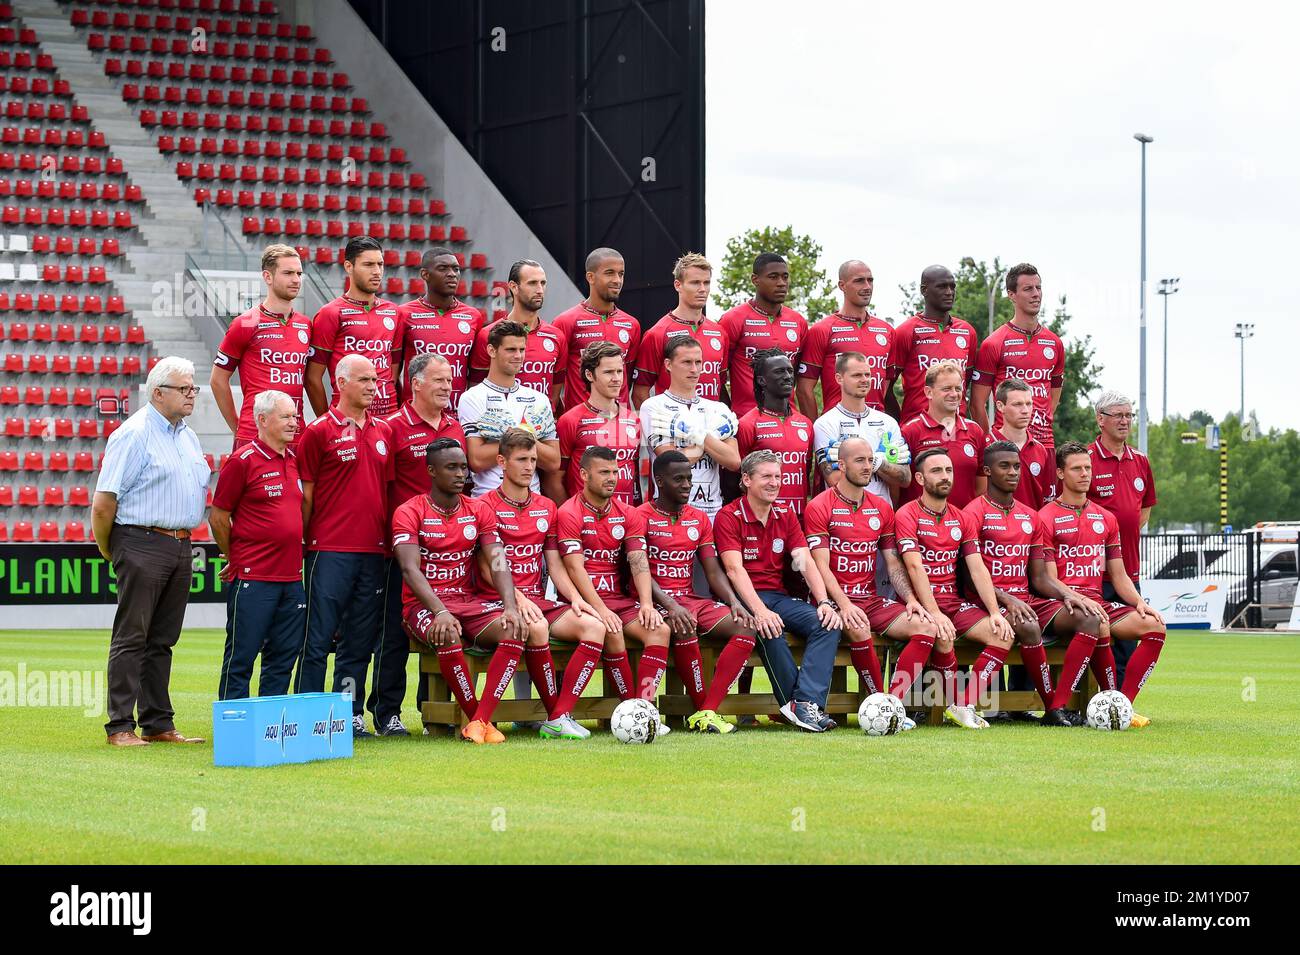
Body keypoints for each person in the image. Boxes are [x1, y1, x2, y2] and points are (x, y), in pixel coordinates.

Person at [91, 356, 209, 746]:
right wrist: (114, 550)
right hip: (140, 539)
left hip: (180, 543)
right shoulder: (134, 433)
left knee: (162, 639)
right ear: (158, 393)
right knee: (132, 636)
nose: (192, 394)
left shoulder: (187, 435)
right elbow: (104, 503)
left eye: (193, 388)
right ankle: (120, 725)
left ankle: (158, 722)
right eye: (184, 388)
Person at [392, 438, 541, 745]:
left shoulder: (478, 509)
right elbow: (410, 570)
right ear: (432, 471)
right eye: (452, 468)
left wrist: (510, 605)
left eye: (463, 467)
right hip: (422, 606)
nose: (461, 474)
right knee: (447, 633)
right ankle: (478, 719)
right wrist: (440, 611)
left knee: (514, 628)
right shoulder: (409, 511)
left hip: (468, 602)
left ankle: (479, 720)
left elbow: (497, 560)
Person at [473, 428, 609, 741]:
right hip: (498, 600)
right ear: (501, 462)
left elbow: (554, 562)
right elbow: (486, 566)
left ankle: (560, 714)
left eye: (533, 459)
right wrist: (517, 599)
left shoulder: (547, 507)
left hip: (538, 600)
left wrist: (575, 598)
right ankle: (556, 716)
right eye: (521, 459)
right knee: (534, 626)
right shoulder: (484, 506)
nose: (529, 466)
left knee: (594, 626)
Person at [964, 441, 1103, 727]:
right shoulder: (973, 512)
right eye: (1005, 466)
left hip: (1027, 600)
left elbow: (1040, 578)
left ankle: (1059, 706)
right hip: (985, 602)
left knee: (1090, 619)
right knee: (1028, 625)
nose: (1013, 472)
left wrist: (1070, 595)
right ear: (988, 471)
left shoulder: (1030, 516)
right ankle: (1051, 705)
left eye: (1016, 466)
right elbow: (968, 576)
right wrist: (1007, 600)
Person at [803, 437, 938, 731]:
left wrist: (911, 599)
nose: (868, 467)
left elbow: (893, 563)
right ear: (842, 464)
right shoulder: (819, 506)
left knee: (926, 626)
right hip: (835, 602)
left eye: (870, 460)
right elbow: (820, 566)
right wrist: (845, 604)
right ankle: (879, 704)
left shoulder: (881, 507)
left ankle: (891, 706)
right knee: (858, 626)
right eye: (860, 461)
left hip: (870, 599)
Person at [294, 354, 394, 737]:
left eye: (375, 379)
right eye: (365, 379)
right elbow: (307, 494)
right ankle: (307, 714)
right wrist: (304, 543)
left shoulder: (384, 431)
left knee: (359, 642)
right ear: (340, 383)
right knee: (317, 638)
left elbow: (384, 492)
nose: (373, 385)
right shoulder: (319, 431)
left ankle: (349, 714)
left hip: (373, 552)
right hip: (329, 550)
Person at [370, 352, 467, 736]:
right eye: (440, 380)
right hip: (404, 550)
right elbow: (380, 487)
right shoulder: (393, 426)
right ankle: (387, 713)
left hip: (447, 550)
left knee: (441, 627)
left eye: (450, 380)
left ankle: (434, 714)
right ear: (416, 384)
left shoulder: (454, 427)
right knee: (393, 634)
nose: (448, 386)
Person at [713, 450, 844, 733]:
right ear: (746, 479)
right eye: (767, 477)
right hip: (743, 598)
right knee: (770, 628)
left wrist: (823, 601)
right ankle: (803, 708)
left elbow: (804, 559)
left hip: (778, 597)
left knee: (828, 622)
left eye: (778, 476)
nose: (774, 483)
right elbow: (734, 570)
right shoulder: (729, 515)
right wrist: (759, 611)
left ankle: (803, 704)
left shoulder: (785, 514)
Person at [1037, 442, 1167, 727]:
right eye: (1076, 468)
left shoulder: (1106, 518)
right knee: (1096, 620)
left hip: (1098, 602)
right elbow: (1047, 579)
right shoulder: (1045, 517)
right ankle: (1056, 708)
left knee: (1154, 626)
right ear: (1060, 473)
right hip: (1059, 604)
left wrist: (1139, 603)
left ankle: (1122, 705)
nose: (1085, 474)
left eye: (1088, 468)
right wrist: (1077, 598)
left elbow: (1119, 576)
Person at [893, 448, 1016, 729]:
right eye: (937, 471)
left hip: (953, 602)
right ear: (920, 478)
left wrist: (995, 612)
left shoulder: (962, 518)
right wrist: (934, 612)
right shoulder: (907, 514)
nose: (945, 476)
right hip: (919, 604)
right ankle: (895, 703)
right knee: (943, 636)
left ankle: (964, 704)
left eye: (949, 471)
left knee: (1002, 634)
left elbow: (977, 568)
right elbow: (914, 567)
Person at [638, 451, 759, 734]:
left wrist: (733, 601)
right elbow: (639, 570)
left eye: (689, 479)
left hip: (690, 600)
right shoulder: (640, 516)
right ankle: (702, 709)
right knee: (683, 625)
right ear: (659, 481)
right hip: (654, 602)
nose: (686, 485)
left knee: (746, 625)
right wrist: (669, 604)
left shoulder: (699, 519)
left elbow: (713, 571)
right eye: (678, 479)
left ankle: (707, 710)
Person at [556, 447, 673, 734]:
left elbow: (638, 561)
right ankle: (635, 714)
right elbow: (574, 569)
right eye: (604, 472)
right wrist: (601, 609)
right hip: (583, 603)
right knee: (612, 630)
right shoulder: (568, 512)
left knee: (660, 630)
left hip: (619, 601)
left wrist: (646, 603)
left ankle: (643, 712)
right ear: (584, 474)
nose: (612, 478)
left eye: (615, 472)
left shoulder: (628, 513)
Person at [209, 390, 304, 701]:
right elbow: (219, 517)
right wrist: (234, 558)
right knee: (242, 656)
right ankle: (233, 726)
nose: (295, 422)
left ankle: (269, 726)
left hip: (291, 579)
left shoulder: (293, 459)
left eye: (295, 415)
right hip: (254, 577)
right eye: (286, 416)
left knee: (283, 657)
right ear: (262, 420)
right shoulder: (242, 461)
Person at [1086, 391, 1157, 687]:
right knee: (1092, 642)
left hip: (1129, 570)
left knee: (1128, 646)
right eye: (1119, 415)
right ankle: (1088, 705)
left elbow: (1143, 512)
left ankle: (1122, 704)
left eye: (1129, 415)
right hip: (1092, 574)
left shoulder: (1140, 460)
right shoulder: (1085, 459)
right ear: (1100, 420)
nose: (1125, 421)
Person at [210, 244, 310, 451]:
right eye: (288, 273)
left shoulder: (306, 325)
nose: (296, 279)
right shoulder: (245, 322)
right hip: (255, 435)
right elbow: (218, 380)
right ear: (268, 277)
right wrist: (238, 427)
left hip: (296, 434)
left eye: (299, 273)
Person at [638, 336, 741, 520]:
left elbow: (733, 461)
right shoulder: (653, 406)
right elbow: (673, 465)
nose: (694, 369)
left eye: (698, 362)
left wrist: (696, 434)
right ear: (668, 364)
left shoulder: (717, 408)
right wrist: (713, 436)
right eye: (686, 362)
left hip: (712, 512)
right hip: (671, 512)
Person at [969, 263, 1064, 459]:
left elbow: (1052, 400)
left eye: (1038, 288)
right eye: (1028, 289)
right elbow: (977, 403)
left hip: (1044, 444)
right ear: (1011, 295)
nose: (1036, 294)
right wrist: (991, 442)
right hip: (1006, 446)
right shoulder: (994, 343)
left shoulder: (1054, 343)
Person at [459, 320, 561, 499]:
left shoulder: (539, 399)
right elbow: (476, 460)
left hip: (532, 501)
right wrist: (525, 438)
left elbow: (553, 462)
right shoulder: (473, 397)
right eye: (511, 350)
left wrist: (518, 435)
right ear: (492, 350)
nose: (518, 356)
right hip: (487, 499)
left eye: (522, 350)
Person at [304, 236, 400, 417]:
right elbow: (312, 378)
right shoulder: (330, 313)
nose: (377, 271)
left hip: (389, 416)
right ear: (349, 267)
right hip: (348, 418)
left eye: (380, 264)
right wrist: (329, 422)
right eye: (368, 265)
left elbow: (394, 371)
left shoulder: (394, 312)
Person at [797, 260, 894, 417]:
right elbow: (804, 389)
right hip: (836, 427)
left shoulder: (887, 330)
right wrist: (814, 433)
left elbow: (886, 383)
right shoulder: (822, 330)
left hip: (876, 424)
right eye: (859, 281)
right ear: (842, 286)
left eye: (870, 280)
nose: (867, 287)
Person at [550, 247, 641, 413]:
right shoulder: (566, 321)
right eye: (609, 273)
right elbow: (555, 379)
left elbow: (626, 375)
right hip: (580, 425)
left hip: (619, 424)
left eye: (621, 274)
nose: (617, 280)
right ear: (590, 277)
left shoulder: (632, 324)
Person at [632, 253, 730, 405]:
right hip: (673, 425)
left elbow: (720, 385)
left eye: (707, 282)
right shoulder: (657, 333)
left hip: (711, 425)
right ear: (678, 285)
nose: (703, 289)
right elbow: (639, 393)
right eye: (695, 283)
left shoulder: (719, 332)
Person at [718, 253, 808, 418]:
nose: (781, 283)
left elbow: (796, 375)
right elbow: (717, 375)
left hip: (788, 419)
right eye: (773, 277)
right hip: (745, 418)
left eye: (785, 277)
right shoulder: (733, 319)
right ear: (755, 280)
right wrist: (728, 415)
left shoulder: (798, 321)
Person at [392, 247, 482, 412]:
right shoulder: (404, 314)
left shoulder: (473, 316)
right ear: (425, 274)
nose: (452, 274)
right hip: (414, 416)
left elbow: (476, 377)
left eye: (456, 269)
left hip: (457, 417)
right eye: (443, 268)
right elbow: (393, 374)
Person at [812, 351, 910, 501]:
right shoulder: (825, 423)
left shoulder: (888, 422)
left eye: (867, 375)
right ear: (839, 378)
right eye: (857, 375)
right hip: (844, 513)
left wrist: (868, 461)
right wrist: (883, 462)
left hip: (882, 512)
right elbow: (834, 479)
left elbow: (904, 478)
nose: (864, 380)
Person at [887, 264, 978, 423]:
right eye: (942, 287)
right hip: (917, 429)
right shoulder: (906, 331)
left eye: (952, 286)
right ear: (924, 290)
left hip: (957, 428)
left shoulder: (967, 331)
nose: (949, 292)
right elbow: (886, 387)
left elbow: (965, 381)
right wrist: (900, 422)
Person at [556, 341, 642, 504]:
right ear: (589, 375)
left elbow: (633, 475)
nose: (617, 379)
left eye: (619, 371)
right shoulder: (570, 420)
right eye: (609, 372)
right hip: (585, 521)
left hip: (625, 519)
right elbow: (555, 479)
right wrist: (571, 515)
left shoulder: (633, 419)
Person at [468, 259, 566, 398]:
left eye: (543, 283)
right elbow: (476, 389)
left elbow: (554, 394)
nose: (539, 290)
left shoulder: (557, 336)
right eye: (532, 283)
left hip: (540, 418)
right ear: (514, 287)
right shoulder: (488, 335)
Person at [736, 347, 815, 517]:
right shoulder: (747, 424)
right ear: (762, 381)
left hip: (798, 518)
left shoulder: (806, 424)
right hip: (762, 519)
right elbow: (736, 478)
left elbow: (805, 471)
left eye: (789, 371)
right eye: (779, 372)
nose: (787, 376)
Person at [900, 360, 988, 508]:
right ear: (928, 392)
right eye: (947, 389)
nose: (954, 394)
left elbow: (981, 486)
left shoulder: (975, 431)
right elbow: (899, 486)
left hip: (964, 524)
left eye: (958, 388)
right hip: (923, 526)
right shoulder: (910, 431)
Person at [990, 378, 1055, 509]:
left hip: (1033, 526)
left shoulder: (1040, 449)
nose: (1025, 410)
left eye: (1029, 404)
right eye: (1017, 404)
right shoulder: (987, 444)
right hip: (996, 526)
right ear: (1000, 406)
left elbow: (1048, 501)